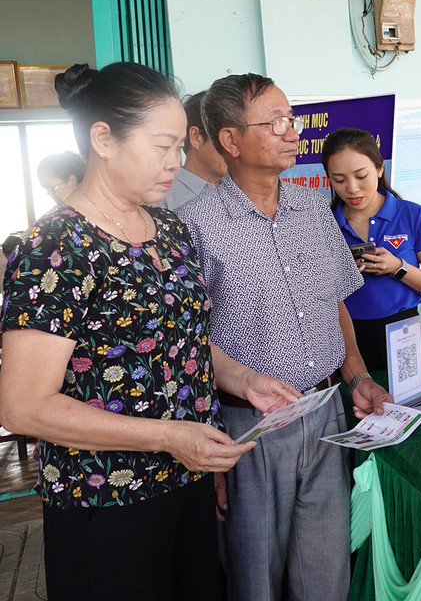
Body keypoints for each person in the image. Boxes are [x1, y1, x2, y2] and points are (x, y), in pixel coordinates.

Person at [0, 62, 303, 601]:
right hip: (105, 500)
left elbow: (181, 341)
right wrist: (167, 436)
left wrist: (242, 380)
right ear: (104, 140)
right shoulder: (54, 247)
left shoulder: (168, 229)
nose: (175, 163)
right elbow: (23, 407)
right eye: (162, 147)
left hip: (185, 480)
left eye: (179, 148)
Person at [177, 73, 391, 601]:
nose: (292, 132)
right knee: (256, 580)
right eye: (275, 123)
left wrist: (357, 377)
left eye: (290, 119)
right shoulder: (192, 226)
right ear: (230, 139)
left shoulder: (313, 208)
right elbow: (188, 343)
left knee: (326, 575)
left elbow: (334, 301)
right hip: (248, 429)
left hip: (326, 412)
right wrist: (209, 449)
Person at [321, 127, 421, 371]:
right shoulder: (322, 225)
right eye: (339, 180)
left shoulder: (412, 215)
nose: (352, 188)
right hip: (348, 341)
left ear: (380, 169)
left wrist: (398, 267)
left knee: (416, 396)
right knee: (358, 396)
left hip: (405, 332)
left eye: (361, 176)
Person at [163, 91, 227, 209]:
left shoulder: (242, 191)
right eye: (227, 137)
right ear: (196, 137)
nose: (235, 148)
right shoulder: (161, 196)